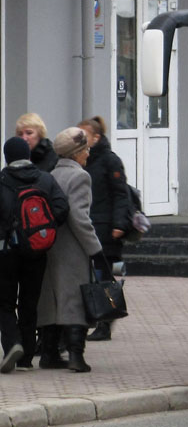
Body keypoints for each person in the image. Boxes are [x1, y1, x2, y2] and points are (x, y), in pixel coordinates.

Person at [38, 127, 104, 373]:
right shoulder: (80, 177)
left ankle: (49, 353)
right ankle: (76, 356)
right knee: (75, 299)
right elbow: (79, 217)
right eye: (85, 149)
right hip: (73, 249)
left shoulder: (50, 175)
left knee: (52, 301)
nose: (88, 153)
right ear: (76, 153)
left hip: (49, 246)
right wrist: (95, 249)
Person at [0, 137, 69, 373]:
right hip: (37, 251)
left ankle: (12, 344)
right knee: (30, 302)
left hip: (6, 252)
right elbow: (62, 208)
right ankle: (26, 358)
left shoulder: (1, 180)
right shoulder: (45, 178)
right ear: (28, 155)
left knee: (5, 303)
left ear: (7, 156)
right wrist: (43, 229)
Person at [77, 116, 131, 342]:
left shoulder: (109, 161)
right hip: (88, 227)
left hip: (106, 229)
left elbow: (121, 194)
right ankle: (95, 318)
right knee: (91, 276)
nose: (79, 139)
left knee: (104, 277)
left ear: (96, 138)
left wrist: (119, 224)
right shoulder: (81, 160)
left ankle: (105, 323)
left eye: (84, 135)